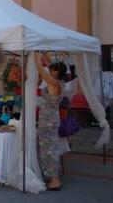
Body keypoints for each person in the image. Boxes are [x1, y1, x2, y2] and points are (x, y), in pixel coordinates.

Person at [34, 52, 67, 191]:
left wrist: (35, 57)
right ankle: (53, 177)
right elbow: (48, 66)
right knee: (52, 147)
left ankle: (54, 180)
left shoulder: (53, 83)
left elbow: (41, 69)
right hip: (51, 118)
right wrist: (44, 54)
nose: (50, 69)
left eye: (53, 69)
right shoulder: (60, 82)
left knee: (48, 150)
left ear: (56, 72)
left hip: (47, 120)